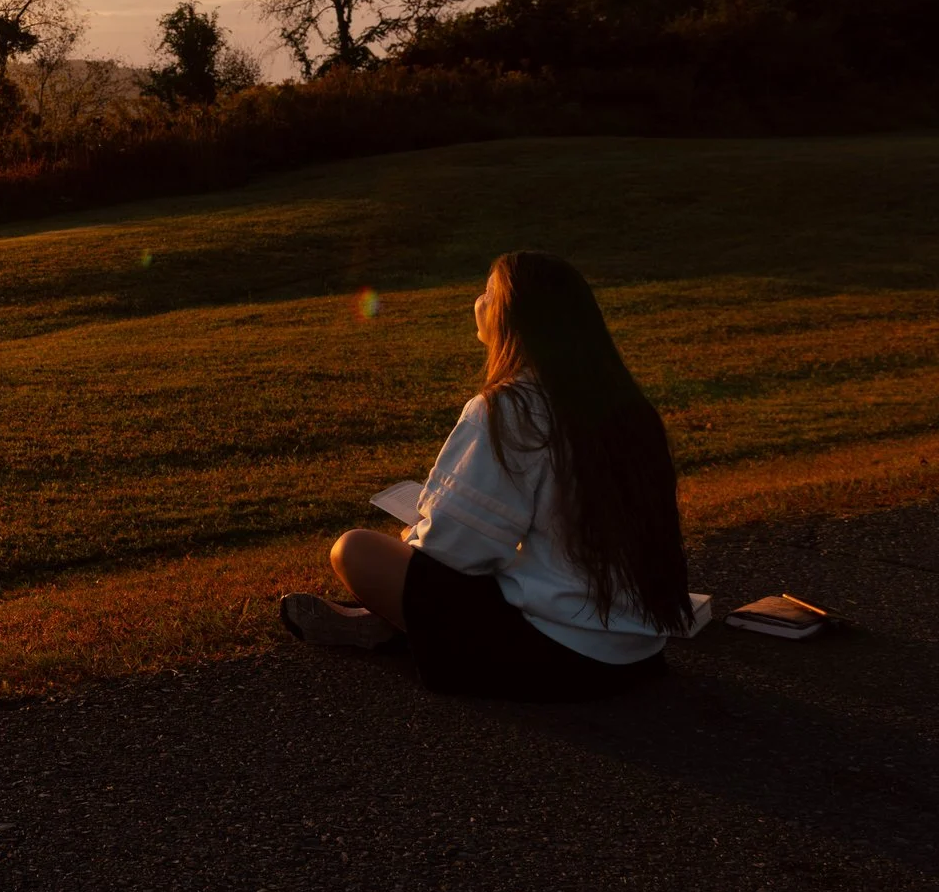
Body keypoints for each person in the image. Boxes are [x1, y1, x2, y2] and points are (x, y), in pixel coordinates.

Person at [279, 251, 692, 701]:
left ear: (514, 319)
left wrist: (414, 535)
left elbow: (456, 552)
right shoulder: (628, 407)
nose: (478, 303)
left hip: (559, 655)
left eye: (488, 293)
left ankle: (393, 627)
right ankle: (382, 625)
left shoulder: (511, 407)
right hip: (639, 650)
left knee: (355, 549)